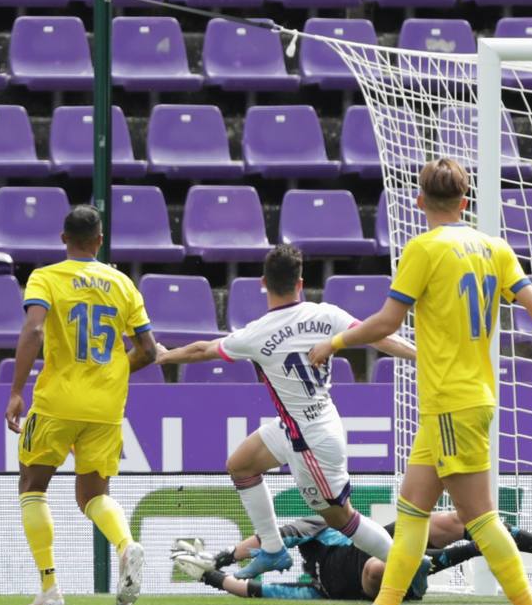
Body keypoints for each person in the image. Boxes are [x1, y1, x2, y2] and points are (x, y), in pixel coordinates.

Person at [308, 158, 532, 605]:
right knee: (413, 511)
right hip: (467, 398)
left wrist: (334, 344)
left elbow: (385, 323)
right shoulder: (493, 247)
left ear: (419, 202)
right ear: (466, 202)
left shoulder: (423, 249)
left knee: (479, 519)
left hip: (449, 402)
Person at [156, 243, 416, 580]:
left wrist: (165, 356)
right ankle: (273, 549)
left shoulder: (257, 332)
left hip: (310, 441)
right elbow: (381, 337)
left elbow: (203, 349)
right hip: (300, 426)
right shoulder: (327, 315)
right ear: (300, 281)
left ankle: (407, 566)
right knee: (241, 465)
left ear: (263, 282)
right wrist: (421, 356)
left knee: (342, 519)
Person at [5, 205, 159, 605]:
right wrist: (111, 371)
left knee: (32, 485)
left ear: (62, 239)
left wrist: (17, 390)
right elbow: (148, 350)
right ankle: (126, 545)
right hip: (107, 405)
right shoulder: (123, 283)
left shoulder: (46, 277)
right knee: (94, 494)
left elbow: (35, 329)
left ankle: (50, 586)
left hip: (58, 400)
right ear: (100, 240)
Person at [170, 512, 532, 602]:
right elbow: (253, 590)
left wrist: (222, 557)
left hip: (384, 547)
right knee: (377, 569)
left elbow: (273, 537)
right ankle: (435, 561)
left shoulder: (318, 526)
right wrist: (209, 577)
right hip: (385, 579)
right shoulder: (312, 588)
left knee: (450, 521)